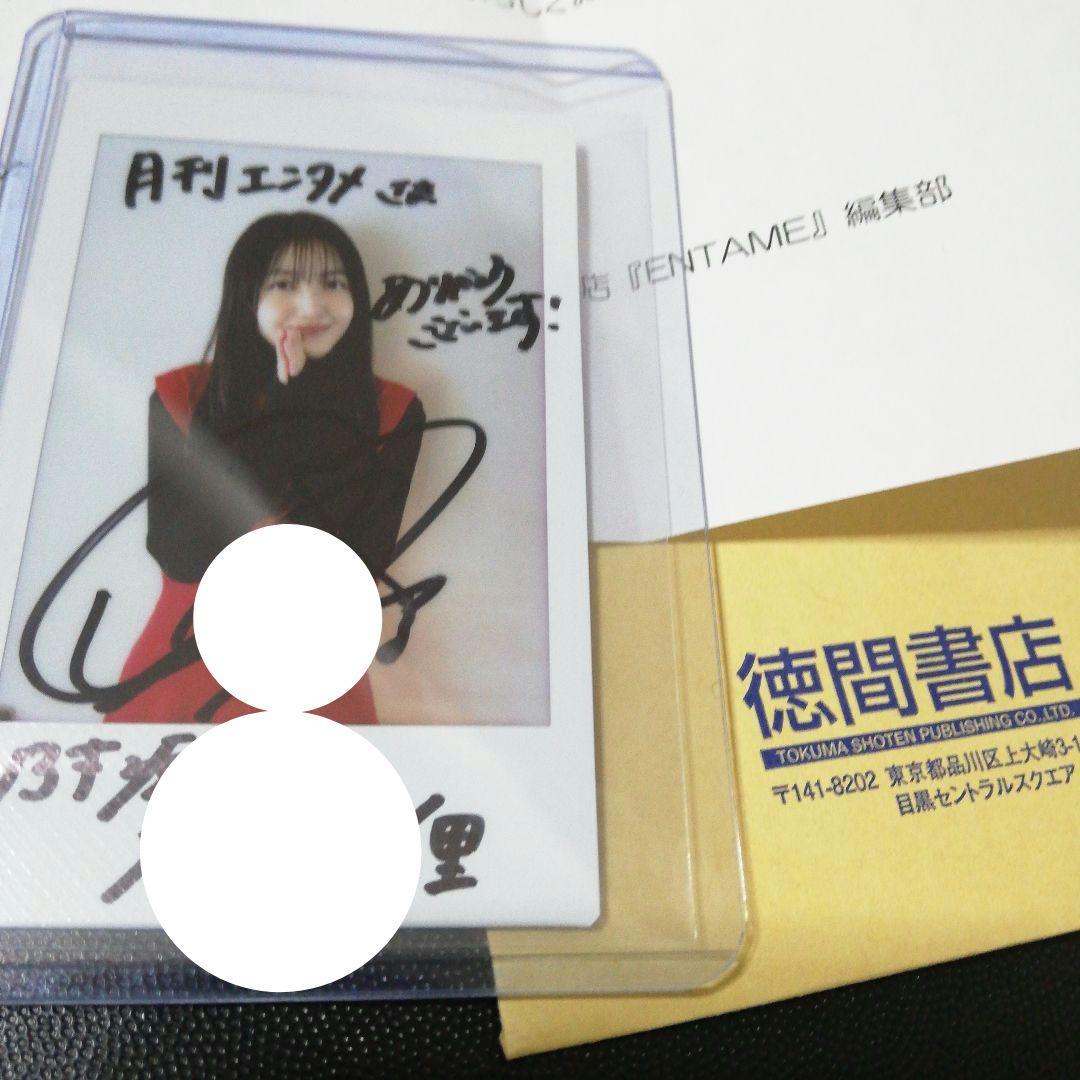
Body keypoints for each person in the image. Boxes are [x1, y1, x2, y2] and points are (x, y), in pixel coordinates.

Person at [104, 212, 424, 724]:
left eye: (333, 283)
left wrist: (298, 402)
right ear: (247, 296)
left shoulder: (394, 410)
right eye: (284, 284)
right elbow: (179, 553)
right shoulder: (181, 395)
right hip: (185, 660)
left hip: (312, 667)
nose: (311, 305)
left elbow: (355, 565)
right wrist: (277, 405)